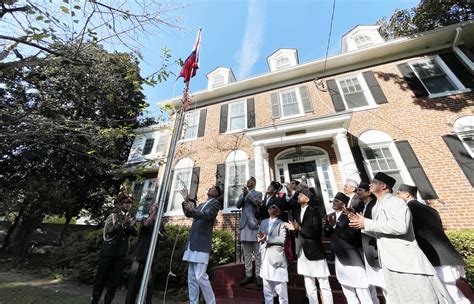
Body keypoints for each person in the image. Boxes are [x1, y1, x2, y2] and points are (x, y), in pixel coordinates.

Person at [349, 172, 453, 303]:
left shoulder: (395, 201)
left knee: (419, 298)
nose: (370, 185)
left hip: (405, 262)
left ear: (383, 186)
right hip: (390, 261)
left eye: (373, 182)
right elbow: (381, 231)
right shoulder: (377, 206)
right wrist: (362, 225)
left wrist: (367, 223)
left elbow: (400, 227)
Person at [397, 184, 469, 303]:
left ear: (406, 194)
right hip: (446, 253)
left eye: (398, 194)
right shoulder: (431, 209)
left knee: (449, 292)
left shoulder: (408, 209)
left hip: (434, 255)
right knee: (452, 291)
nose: (397, 196)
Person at [284, 188, 333, 304]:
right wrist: (294, 230)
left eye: (301, 195)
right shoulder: (296, 212)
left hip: (315, 252)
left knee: (324, 284)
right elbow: (298, 232)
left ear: (307, 199)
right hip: (302, 251)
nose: (298, 197)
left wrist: (299, 228)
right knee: (309, 284)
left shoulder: (314, 212)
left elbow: (316, 233)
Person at [324, 192, 372, 304]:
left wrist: (335, 226)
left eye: (337, 201)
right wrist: (328, 227)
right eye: (333, 200)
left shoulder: (349, 214)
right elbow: (328, 234)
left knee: (361, 289)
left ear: (343, 203)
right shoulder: (331, 215)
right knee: (347, 290)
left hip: (351, 257)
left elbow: (351, 236)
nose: (334, 202)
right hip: (338, 256)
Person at [91, 195, 138, 304]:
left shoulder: (132, 217)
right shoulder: (113, 216)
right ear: (121, 204)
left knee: (114, 281)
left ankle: (108, 302)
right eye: (126, 203)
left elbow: (135, 233)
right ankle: (95, 301)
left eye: (130, 203)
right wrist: (122, 224)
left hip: (121, 254)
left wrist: (130, 226)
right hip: (108, 252)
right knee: (100, 279)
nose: (128, 205)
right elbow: (108, 232)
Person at [181, 185, 221, 304]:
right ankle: (194, 302)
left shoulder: (215, 204)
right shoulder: (202, 204)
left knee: (200, 276)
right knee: (192, 278)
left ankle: (211, 302)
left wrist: (192, 210)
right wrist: (186, 202)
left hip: (202, 242)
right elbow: (189, 213)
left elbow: (207, 215)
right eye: (210, 187)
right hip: (193, 241)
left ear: (217, 193)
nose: (210, 188)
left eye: (213, 188)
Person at [125, 203, 167, 304]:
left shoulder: (160, 224)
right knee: (134, 284)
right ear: (150, 209)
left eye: (157, 206)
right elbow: (146, 225)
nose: (156, 206)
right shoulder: (145, 218)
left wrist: (159, 233)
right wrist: (154, 213)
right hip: (139, 256)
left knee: (149, 286)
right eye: (153, 205)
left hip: (152, 257)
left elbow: (164, 237)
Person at [355, 182, 385, 303]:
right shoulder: (362, 206)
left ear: (368, 192)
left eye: (360, 190)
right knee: (373, 280)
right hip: (366, 247)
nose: (357, 192)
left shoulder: (374, 205)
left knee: (384, 283)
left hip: (376, 248)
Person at [258, 203, 289, 304]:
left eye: (274, 207)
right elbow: (259, 235)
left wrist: (267, 238)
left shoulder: (281, 224)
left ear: (278, 212)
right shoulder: (263, 222)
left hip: (276, 257)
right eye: (270, 207)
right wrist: (260, 238)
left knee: (281, 289)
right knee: (267, 288)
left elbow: (282, 240)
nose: (271, 208)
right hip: (264, 255)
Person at [237, 177, 263, 287]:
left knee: (257, 252)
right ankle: (248, 274)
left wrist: (247, 194)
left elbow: (257, 204)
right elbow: (238, 205)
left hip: (254, 223)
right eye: (247, 181)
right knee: (246, 253)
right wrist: (243, 195)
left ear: (255, 183)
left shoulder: (258, 193)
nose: (248, 182)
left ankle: (258, 275)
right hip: (244, 224)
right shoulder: (243, 193)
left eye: (251, 181)